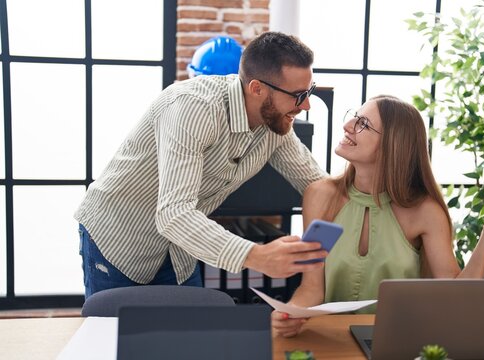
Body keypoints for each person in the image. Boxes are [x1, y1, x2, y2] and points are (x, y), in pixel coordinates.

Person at [74, 31, 329, 298]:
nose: (307, 104)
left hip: (179, 249)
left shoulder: (275, 124)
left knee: (189, 335)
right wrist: (258, 256)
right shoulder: (195, 108)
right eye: (299, 95)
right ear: (257, 88)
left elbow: (316, 183)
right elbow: (174, 214)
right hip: (119, 239)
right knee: (115, 337)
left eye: (309, 91)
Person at [272, 95, 484, 337]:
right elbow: (312, 288)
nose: (347, 125)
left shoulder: (424, 212)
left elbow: (456, 294)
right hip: (331, 339)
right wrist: (290, 313)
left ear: (393, 145)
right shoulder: (319, 195)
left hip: (398, 340)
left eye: (363, 124)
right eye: (354, 117)